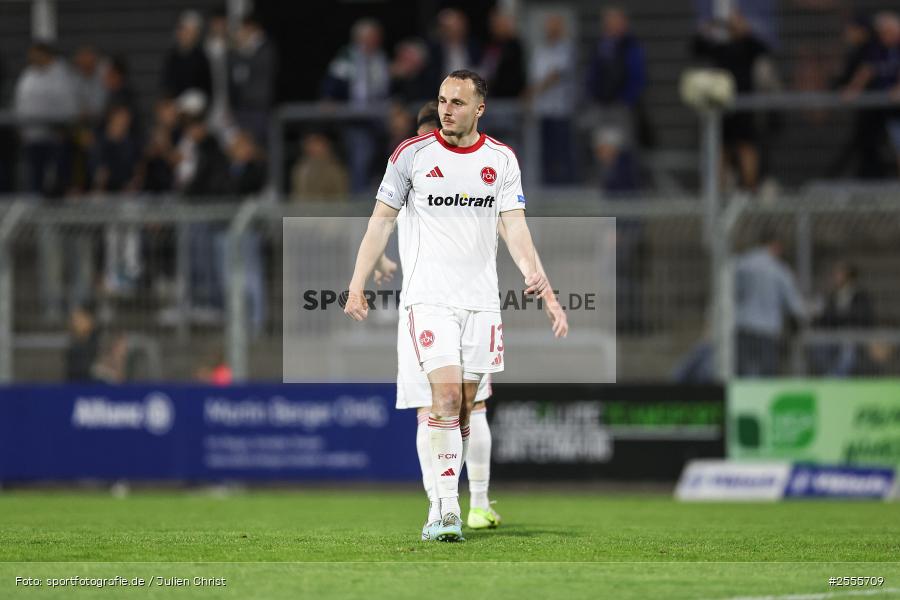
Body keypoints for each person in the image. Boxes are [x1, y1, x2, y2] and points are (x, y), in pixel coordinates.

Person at [344, 70, 562, 542]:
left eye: (458, 102)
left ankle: (470, 501)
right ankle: (443, 510)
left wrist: (535, 274)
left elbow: (514, 225)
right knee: (441, 400)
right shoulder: (411, 155)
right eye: (442, 100)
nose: (447, 109)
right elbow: (380, 222)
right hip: (430, 300)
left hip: (481, 304)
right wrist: (356, 284)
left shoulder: (501, 160)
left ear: (479, 108)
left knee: (465, 408)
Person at [734, 229, 806, 377]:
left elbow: (732, 292)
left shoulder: (742, 263)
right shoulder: (779, 270)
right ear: (776, 245)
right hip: (767, 330)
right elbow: (793, 304)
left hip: (743, 325)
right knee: (767, 375)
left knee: (742, 374)